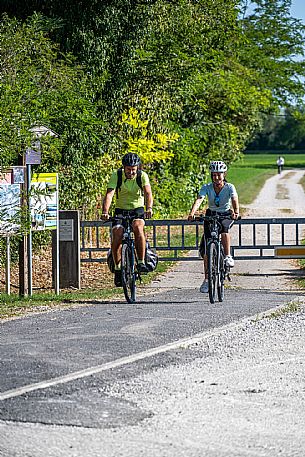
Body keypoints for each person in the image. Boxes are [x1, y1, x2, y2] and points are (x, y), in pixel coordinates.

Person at [101, 153, 153, 287]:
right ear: (124, 168)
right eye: (128, 169)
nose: (131, 172)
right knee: (117, 234)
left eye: (133, 169)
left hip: (138, 210)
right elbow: (110, 194)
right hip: (120, 210)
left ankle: (141, 262)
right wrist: (105, 212)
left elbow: (148, 193)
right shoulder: (116, 175)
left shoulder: (142, 176)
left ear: (137, 167)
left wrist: (149, 208)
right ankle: (118, 268)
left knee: (138, 227)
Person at [187, 160, 239, 293]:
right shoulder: (207, 187)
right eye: (214, 175)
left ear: (224, 174)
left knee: (224, 230)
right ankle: (207, 279)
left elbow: (234, 199)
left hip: (225, 214)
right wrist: (192, 213)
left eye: (219, 175)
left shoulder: (229, 187)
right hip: (211, 214)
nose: (216, 177)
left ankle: (227, 256)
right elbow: (199, 199)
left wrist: (236, 212)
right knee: (206, 249)